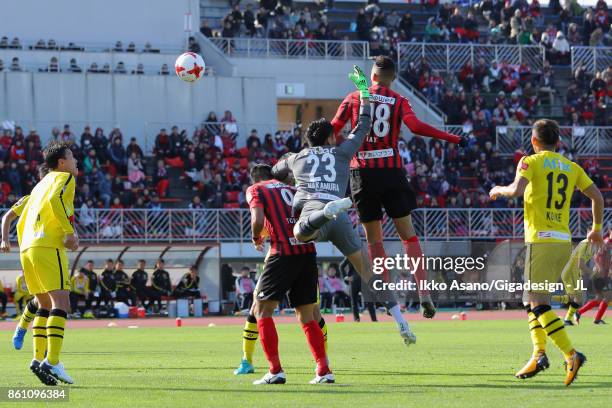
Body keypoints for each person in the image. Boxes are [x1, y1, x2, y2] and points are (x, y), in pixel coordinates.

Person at [272, 65, 416, 346]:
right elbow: (363, 125)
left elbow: (275, 171)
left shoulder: (295, 157)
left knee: (299, 233)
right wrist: (363, 91)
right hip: (339, 217)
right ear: (329, 138)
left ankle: (317, 216)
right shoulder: (341, 152)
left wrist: (290, 174)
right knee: (369, 274)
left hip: (312, 213)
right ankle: (402, 322)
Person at [331, 56, 464, 319]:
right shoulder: (399, 100)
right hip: (391, 173)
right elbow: (415, 126)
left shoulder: (354, 97)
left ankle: (386, 294)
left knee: (374, 239)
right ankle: (423, 291)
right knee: (408, 236)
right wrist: (453, 138)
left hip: (362, 174)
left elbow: (334, 128)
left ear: (373, 75)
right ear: (392, 78)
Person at [489, 119, 604, 386]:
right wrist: (596, 229)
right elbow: (597, 197)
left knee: (538, 303)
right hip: (563, 241)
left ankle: (571, 354)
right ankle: (539, 354)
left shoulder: (530, 161)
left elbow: (516, 190)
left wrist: (498, 190)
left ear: (534, 141)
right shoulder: (572, 167)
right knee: (531, 300)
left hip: (540, 240)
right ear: (558, 142)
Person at [0, 142, 79, 385]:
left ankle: (37, 359)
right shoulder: (64, 178)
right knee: (61, 302)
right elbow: (56, 201)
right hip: (47, 246)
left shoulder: (37, 188)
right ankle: (52, 361)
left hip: (28, 249)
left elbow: (14, 217)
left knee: (43, 303)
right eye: (72, 157)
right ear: (62, 163)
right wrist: (68, 232)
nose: (76, 161)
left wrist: (8, 240)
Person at [246, 164, 333, 385]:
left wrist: (256, 237)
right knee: (307, 314)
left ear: (254, 178)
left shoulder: (256, 189)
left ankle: (275, 370)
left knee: (261, 309)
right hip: (307, 252)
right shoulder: (294, 190)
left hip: (282, 253)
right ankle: (323, 371)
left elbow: (257, 221)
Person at [576, 230, 610, 324]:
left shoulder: (606, 243)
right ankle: (596, 318)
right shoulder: (605, 243)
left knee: (600, 298)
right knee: (607, 296)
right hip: (599, 275)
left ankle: (580, 312)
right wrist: (600, 269)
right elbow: (597, 257)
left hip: (602, 275)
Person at [340, 257, 376, 322]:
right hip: (353, 282)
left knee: (369, 301)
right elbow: (341, 266)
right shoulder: (350, 255)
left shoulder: (365, 255)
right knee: (354, 302)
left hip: (364, 281)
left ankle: (374, 320)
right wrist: (345, 277)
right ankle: (356, 320)